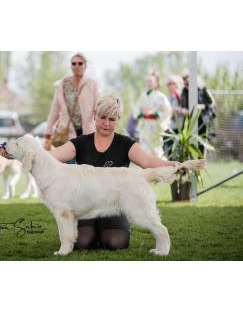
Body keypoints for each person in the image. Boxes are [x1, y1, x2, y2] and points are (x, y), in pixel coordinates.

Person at [39, 94, 180, 250]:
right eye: (103, 117)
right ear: (95, 116)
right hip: (86, 207)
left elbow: (147, 161)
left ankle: (161, 239)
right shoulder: (80, 142)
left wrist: (170, 164)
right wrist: (23, 153)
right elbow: (49, 157)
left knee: (115, 242)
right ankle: (92, 232)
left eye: (112, 119)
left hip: (115, 204)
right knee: (82, 242)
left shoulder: (125, 143)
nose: (106, 123)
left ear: (118, 119)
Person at [44, 53, 99, 150]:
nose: (77, 66)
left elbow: (98, 109)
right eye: (74, 63)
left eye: (80, 63)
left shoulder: (92, 84)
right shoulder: (63, 84)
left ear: (85, 66)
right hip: (66, 132)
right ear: (71, 66)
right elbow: (55, 110)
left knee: (84, 164)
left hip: (86, 133)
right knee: (68, 163)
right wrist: (48, 131)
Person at [133, 73, 172, 158]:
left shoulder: (161, 97)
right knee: (144, 150)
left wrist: (156, 114)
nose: (149, 83)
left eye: (151, 81)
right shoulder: (142, 96)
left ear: (156, 83)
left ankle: (160, 169)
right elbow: (136, 110)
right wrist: (141, 114)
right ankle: (146, 170)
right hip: (145, 126)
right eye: (147, 81)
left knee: (156, 149)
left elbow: (168, 110)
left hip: (155, 126)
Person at [181, 74, 216, 156]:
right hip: (189, 121)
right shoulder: (184, 91)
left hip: (202, 121)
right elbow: (182, 105)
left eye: (188, 84)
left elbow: (212, 103)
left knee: (202, 143)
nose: (186, 86)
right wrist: (184, 109)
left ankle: (201, 162)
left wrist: (202, 106)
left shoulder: (203, 89)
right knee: (188, 143)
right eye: (185, 84)